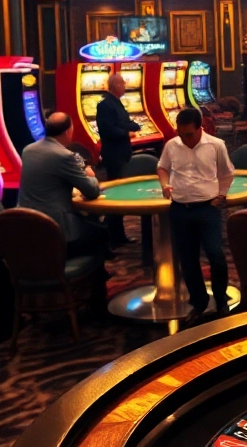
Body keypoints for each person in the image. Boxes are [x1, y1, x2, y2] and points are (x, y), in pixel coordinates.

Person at [157, 107, 233, 322]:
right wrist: (165, 185)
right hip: (180, 209)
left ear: (201, 128)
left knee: (215, 255)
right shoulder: (172, 145)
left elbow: (227, 173)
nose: (185, 138)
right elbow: (162, 167)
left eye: (189, 134)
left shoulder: (216, 145)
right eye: (181, 134)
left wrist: (221, 195)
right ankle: (199, 302)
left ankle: (221, 301)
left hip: (207, 209)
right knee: (188, 260)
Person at [18, 112, 107, 260]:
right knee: (101, 233)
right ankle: (90, 279)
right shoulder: (64, 155)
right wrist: (90, 175)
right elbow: (92, 191)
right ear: (68, 131)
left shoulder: (28, 150)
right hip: (54, 228)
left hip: (27, 225)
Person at [96, 72, 140, 244]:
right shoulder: (105, 105)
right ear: (114, 86)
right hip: (114, 155)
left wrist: (130, 127)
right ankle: (111, 236)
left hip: (122, 153)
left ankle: (117, 235)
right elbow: (108, 130)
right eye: (122, 83)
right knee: (115, 196)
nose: (125, 85)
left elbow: (127, 123)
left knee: (119, 195)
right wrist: (127, 132)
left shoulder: (116, 103)